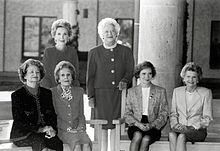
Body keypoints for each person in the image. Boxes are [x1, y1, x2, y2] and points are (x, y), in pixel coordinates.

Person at [86, 17, 134, 151]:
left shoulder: (126, 51)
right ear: (101, 34)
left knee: (116, 127)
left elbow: (130, 70)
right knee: (101, 127)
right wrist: (90, 96)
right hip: (100, 95)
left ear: (117, 33)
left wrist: (125, 80)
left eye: (112, 31)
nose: (109, 34)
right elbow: (90, 76)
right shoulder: (94, 52)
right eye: (106, 31)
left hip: (118, 94)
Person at [10, 59, 63, 151]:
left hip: (44, 133)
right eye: (31, 72)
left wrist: (52, 128)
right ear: (25, 75)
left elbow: (52, 115)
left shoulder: (46, 93)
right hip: (23, 134)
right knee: (40, 142)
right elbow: (19, 120)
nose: (35, 74)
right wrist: (40, 129)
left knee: (57, 143)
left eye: (37, 72)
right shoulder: (17, 95)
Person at [124, 61, 169, 151]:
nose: (146, 77)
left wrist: (152, 124)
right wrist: (138, 124)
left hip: (153, 125)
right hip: (135, 124)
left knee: (146, 139)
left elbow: (164, 113)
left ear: (152, 75)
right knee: (137, 136)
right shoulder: (131, 91)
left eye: (149, 74)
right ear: (138, 75)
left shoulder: (160, 91)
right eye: (143, 74)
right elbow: (127, 113)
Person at [169, 62, 213, 151]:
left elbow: (207, 118)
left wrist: (192, 127)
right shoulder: (177, 91)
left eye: (194, 77)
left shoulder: (206, 93)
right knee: (171, 134)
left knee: (181, 136)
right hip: (180, 128)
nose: (191, 80)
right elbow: (173, 113)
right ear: (184, 78)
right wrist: (175, 124)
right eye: (188, 77)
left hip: (198, 130)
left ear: (198, 79)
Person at [51, 61, 91, 151]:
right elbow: (54, 116)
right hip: (62, 130)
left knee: (86, 144)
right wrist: (68, 128)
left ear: (72, 77)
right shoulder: (52, 92)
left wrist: (81, 127)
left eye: (68, 75)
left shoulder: (79, 91)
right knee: (76, 145)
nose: (66, 78)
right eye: (62, 75)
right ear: (58, 78)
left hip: (78, 130)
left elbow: (81, 114)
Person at [41, 19, 80, 88]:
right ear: (54, 36)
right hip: (52, 91)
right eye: (59, 34)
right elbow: (45, 77)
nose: (61, 37)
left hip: (69, 92)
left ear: (68, 36)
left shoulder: (72, 52)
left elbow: (75, 75)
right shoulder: (48, 52)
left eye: (65, 34)